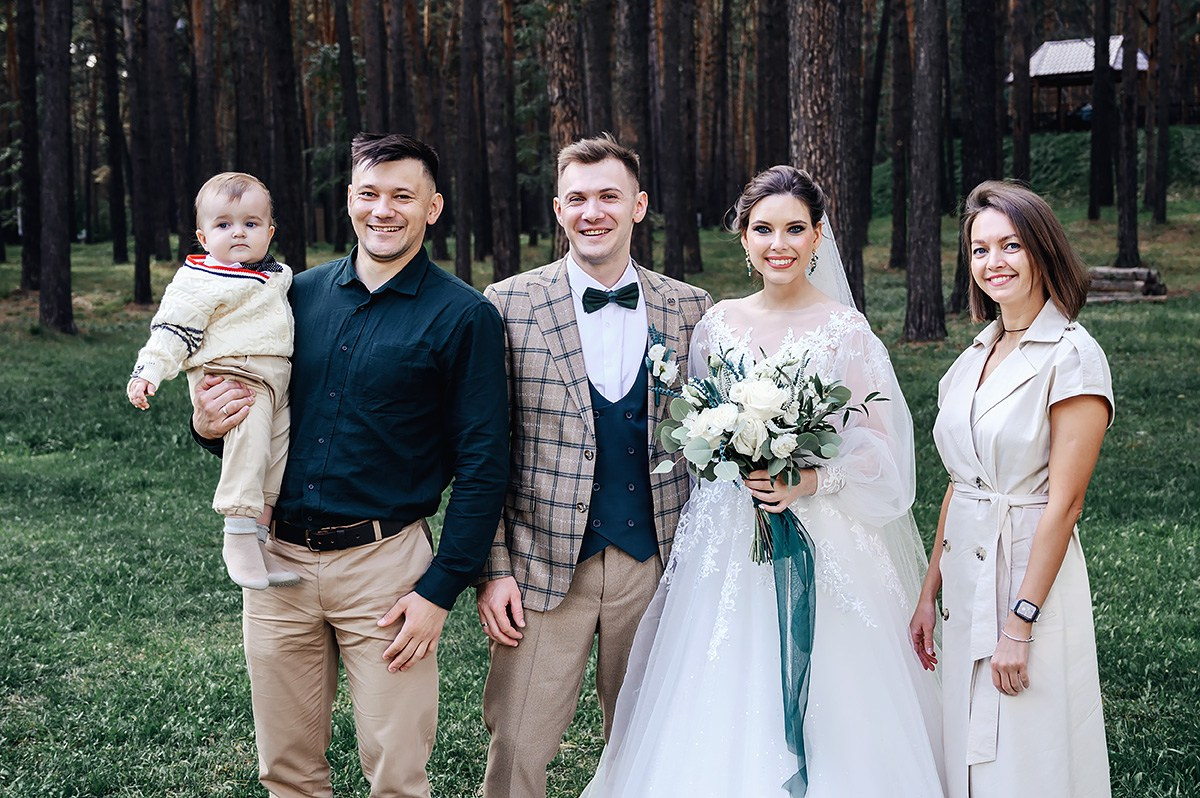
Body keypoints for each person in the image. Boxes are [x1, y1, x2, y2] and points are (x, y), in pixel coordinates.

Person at [581, 165, 945, 797]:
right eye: (764, 229)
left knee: (839, 691)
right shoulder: (716, 325)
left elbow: (882, 454)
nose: (780, 245)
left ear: (818, 235)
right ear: (743, 236)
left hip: (824, 533)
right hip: (726, 535)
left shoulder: (846, 331)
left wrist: (809, 480)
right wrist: (729, 449)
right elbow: (699, 426)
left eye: (795, 229)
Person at [191, 133, 508, 798]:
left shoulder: (464, 316)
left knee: (396, 772)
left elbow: (483, 466)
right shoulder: (292, 295)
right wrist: (208, 427)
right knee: (287, 769)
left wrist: (438, 591)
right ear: (349, 200)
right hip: (277, 560)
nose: (382, 210)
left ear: (432, 207)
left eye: (402, 196)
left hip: (385, 570)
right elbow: (257, 414)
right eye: (369, 193)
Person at [475, 134, 712, 798]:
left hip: (657, 563)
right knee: (518, 744)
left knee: (650, 747)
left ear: (639, 205)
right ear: (558, 209)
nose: (593, 212)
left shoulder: (691, 309)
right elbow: (485, 448)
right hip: (542, 564)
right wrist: (493, 570)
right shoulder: (507, 303)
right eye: (577, 198)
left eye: (609, 196)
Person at [909, 180, 1112, 798]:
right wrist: (929, 591)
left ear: (1043, 251)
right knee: (968, 751)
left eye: (1011, 245)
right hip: (964, 576)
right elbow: (961, 481)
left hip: (1027, 574)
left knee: (1026, 753)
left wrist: (1020, 624)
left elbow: (1066, 505)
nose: (993, 262)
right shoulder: (974, 355)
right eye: (979, 249)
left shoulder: (1073, 355)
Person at [128, 172, 299, 591]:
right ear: (203, 238)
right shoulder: (199, 279)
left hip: (276, 377)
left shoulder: (277, 274)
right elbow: (172, 329)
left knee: (275, 460)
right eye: (224, 224)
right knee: (249, 449)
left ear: (269, 232)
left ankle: (259, 542)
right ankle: (237, 535)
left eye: (251, 223)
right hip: (234, 374)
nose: (238, 232)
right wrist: (148, 371)